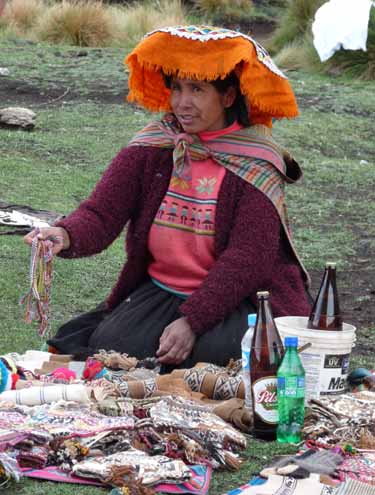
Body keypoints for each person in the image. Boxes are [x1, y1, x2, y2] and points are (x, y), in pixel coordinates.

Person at [24, 26, 311, 368]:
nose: (182, 103)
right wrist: (66, 234)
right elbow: (102, 213)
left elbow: (248, 259)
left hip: (243, 298)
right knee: (112, 345)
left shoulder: (254, 161)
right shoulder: (155, 146)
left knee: (222, 354)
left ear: (229, 97)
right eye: (176, 88)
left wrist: (192, 321)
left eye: (197, 89)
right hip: (165, 291)